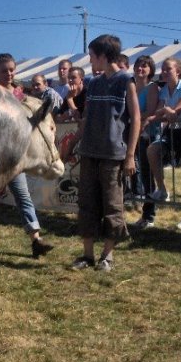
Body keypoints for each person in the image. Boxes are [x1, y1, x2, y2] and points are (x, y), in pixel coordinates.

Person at [62, 34, 140, 271]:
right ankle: (87, 256)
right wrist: (73, 143)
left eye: (92, 55)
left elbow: (136, 118)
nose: (89, 59)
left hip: (113, 155)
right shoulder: (94, 84)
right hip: (89, 153)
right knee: (86, 204)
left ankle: (107, 256)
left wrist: (130, 156)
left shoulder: (127, 80)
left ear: (103, 56)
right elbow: (86, 119)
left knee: (112, 206)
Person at [0, 53, 54, 259]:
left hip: (13, 157)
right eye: (4, 70)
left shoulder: (21, 93)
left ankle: (36, 239)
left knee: (23, 196)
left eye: (12, 69)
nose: (9, 73)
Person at [144, 58, 181, 229]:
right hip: (172, 132)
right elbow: (160, 113)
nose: (164, 71)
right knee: (152, 150)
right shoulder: (164, 89)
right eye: (163, 69)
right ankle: (162, 190)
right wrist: (147, 119)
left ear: (178, 71)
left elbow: (175, 112)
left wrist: (165, 111)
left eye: (168, 69)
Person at [132, 55, 161, 229]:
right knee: (138, 176)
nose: (140, 69)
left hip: (147, 137)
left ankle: (149, 215)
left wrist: (135, 120)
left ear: (150, 70)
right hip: (132, 136)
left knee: (147, 176)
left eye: (144, 66)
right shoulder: (132, 87)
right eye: (138, 65)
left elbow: (150, 112)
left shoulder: (152, 88)